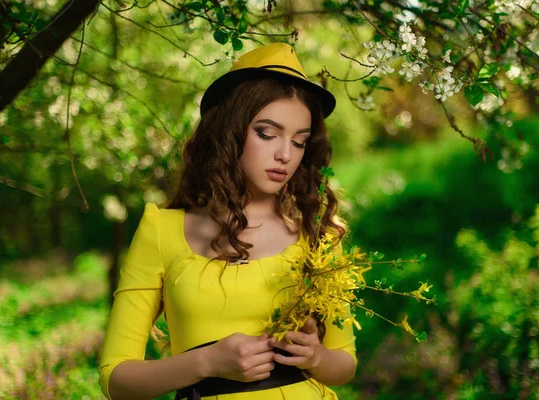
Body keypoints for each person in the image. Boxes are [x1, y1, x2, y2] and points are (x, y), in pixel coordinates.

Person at [97, 42, 358, 400]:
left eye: (298, 142)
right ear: (229, 132)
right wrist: (207, 362)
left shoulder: (317, 234)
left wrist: (316, 356)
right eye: (266, 134)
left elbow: (345, 364)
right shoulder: (162, 230)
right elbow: (116, 379)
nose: (284, 154)